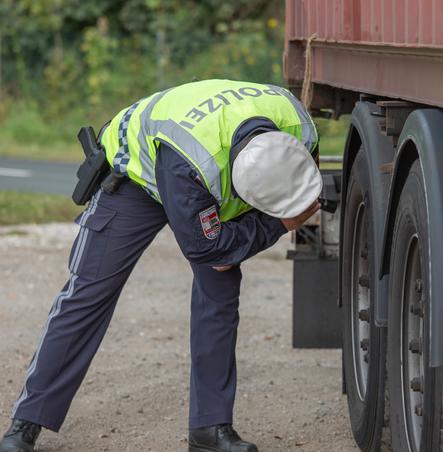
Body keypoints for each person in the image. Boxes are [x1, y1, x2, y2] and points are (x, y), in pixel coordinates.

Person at [0, 79, 323, 452]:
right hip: (138, 176)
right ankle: (27, 422)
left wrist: (257, 228)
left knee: (219, 297)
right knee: (89, 293)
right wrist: (278, 224)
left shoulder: (299, 126)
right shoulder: (190, 163)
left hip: (208, 170)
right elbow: (210, 251)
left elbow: (298, 189)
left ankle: (210, 430)